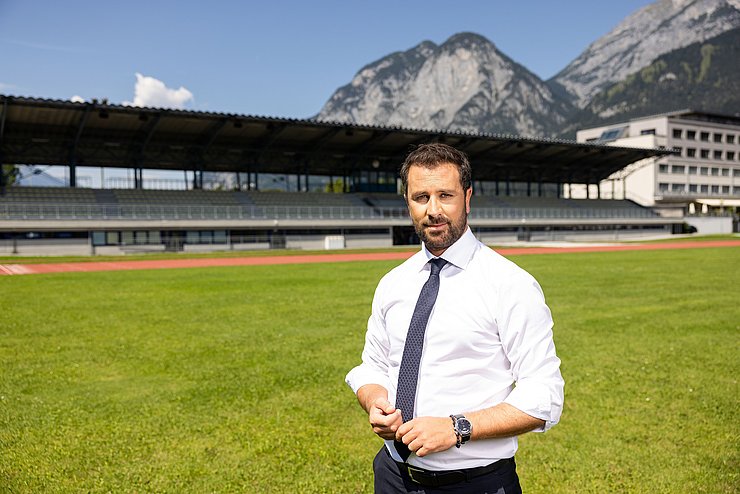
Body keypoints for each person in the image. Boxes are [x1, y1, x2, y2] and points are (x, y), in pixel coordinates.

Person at [345, 143, 564, 493]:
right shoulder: (393, 283)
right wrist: (375, 403)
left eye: (445, 195)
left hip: (476, 484)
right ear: (408, 203)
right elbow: (372, 367)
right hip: (392, 477)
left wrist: (456, 427)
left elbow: (544, 397)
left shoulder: (509, 284)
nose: (433, 210)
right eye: (421, 197)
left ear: (468, 197)